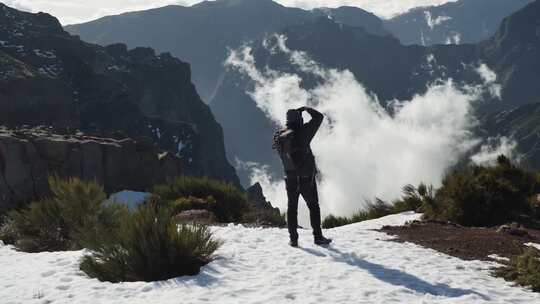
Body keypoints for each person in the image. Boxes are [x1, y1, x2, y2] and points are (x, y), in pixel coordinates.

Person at [273, 106, 332, 247]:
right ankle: (318, 238)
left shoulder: (278, 136)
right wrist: (306, 108)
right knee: (313, 206)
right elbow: (319, 117)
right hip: (306, 177)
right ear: (299, 119)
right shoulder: (304, 132)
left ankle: (293, 239)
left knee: (292, 208)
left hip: (290, 178)